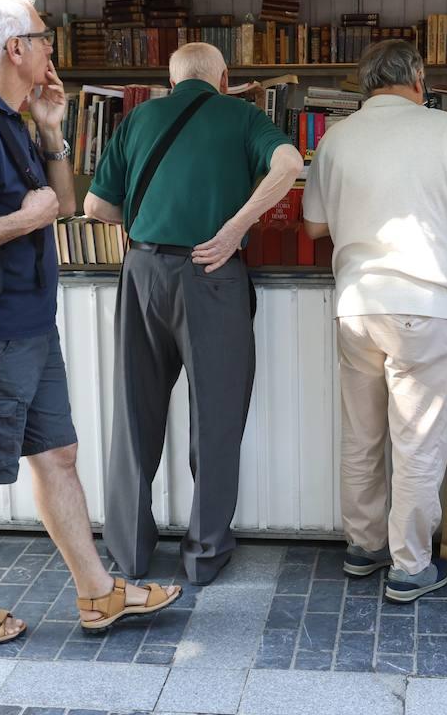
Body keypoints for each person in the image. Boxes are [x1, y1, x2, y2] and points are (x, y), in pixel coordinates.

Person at [0, 0, 180, 645]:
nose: (49, 49)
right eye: (42, 37)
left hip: (27, 328)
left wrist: (55, 133)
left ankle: (97, 595)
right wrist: (20, 220)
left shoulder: (12, 120)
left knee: (57, 456)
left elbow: (59, 205)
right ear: (15, 49)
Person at [85, 42, 303, 584]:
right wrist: (235, 229)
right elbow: (290, 162)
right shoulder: (244, 115)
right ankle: (204, 555)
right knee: (216, 417)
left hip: (140, 274)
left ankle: (129, 553)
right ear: (223, 78)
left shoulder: (137, 118)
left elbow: (94, 206)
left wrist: (141, 223)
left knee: (134, 415)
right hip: (209, 274)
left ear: (171, 77)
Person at [301, 39, 447, 603]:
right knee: (417, 441)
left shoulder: (336, 137)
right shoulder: (443, 129)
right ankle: (410, 565)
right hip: (422, 306)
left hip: (356, 305)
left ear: (366, 84)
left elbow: (314, 227)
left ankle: (363, 547)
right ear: (418, 79)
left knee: (362, 436)